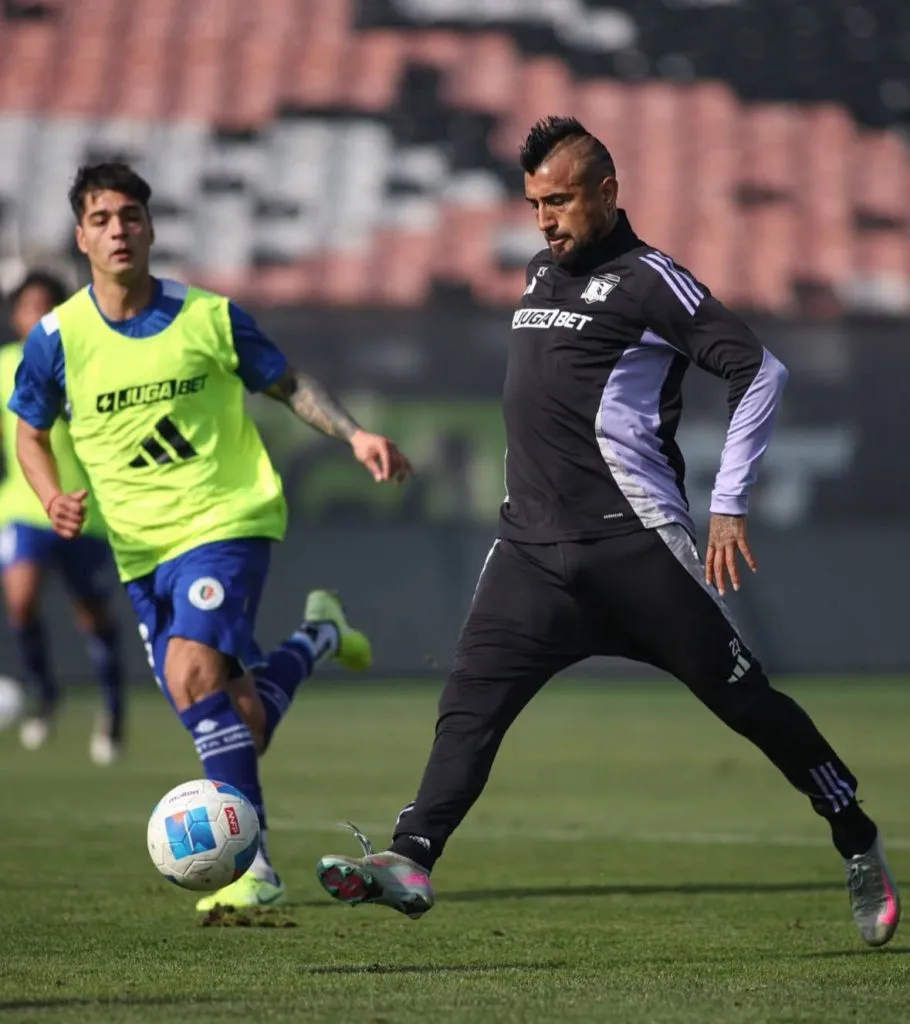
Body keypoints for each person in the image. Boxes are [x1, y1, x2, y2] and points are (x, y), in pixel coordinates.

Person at [314, 116, 900, 948]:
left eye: (558, 201)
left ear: (608, 193)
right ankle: (411, 856)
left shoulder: (651, 281)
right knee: (467, 708)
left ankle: (855, 834)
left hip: (635, 548)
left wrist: (730, 501)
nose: (544, 221)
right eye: (533, 204)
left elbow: (759, 371)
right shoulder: (536, 273)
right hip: (528, 554)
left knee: (748, 705)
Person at [10, 162, 412, 913]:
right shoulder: (56, 338)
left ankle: (256, 868)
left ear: (151, 228)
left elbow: (287, 382)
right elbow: (30, 431)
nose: (119, 230)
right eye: (101, 219)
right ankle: (320, 636)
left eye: (131, 216)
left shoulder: (209, 316)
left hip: (224, 521)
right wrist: (50, 494)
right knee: (234, 723)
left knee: (193, 678)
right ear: (81, 237)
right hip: (139, 551)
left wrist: (355, 435)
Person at [0, 270, 126, 764]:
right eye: (27, 306)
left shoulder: (84, 361)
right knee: (21, 599)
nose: (36, 315)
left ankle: (112, 710)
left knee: (92, 614)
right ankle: (45, 695)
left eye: (46, 306)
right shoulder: (4, 365)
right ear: (15, 316)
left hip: (84, 508)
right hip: (24, 507)